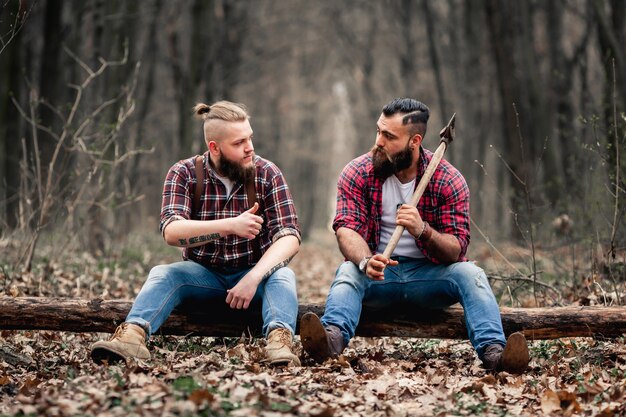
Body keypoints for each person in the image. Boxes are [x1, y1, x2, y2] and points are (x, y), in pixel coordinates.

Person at [300, 98, 530, 373]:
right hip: (379, 276)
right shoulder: (357, 173)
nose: (378, 142)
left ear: (414, 141)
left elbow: (456, 250)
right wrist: (365, 261)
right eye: (378, 131)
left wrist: (423, 231)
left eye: (389, 136)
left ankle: (495, 354)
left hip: (429, 278)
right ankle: (329, 342)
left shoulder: (448, 179)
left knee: (472, 274)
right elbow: (346, 228)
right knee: (349, 272)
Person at [91, 101, 302, 367]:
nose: (249, 147)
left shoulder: (267, 173)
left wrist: (254, 276)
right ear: (214, 147)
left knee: (283, 276)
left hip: (254, 278)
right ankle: (131, 338)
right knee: (163, 273)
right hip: (203, 277)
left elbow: (289, 236)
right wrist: (229, 225)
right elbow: (172, 231)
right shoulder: (185, 173)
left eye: (249, 138)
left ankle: (279, 346)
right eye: (238, 143)